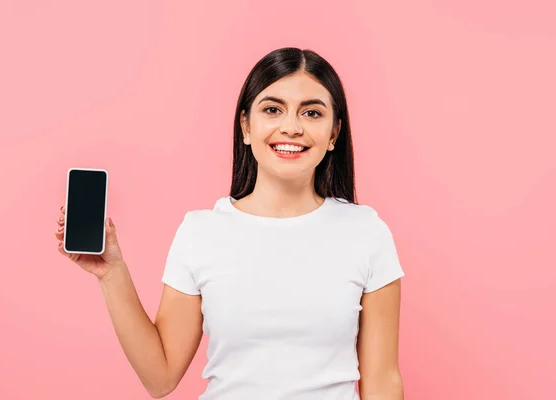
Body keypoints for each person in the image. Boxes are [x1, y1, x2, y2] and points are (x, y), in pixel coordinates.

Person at [55, 47, 405, 400]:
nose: (291, 127)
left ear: (333, 134)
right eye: (272, 109)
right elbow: (159, 378)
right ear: (246, 127)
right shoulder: (200, 232)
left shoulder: (365, 232)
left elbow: (383, 381)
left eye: (312, 112)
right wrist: (111, 274)